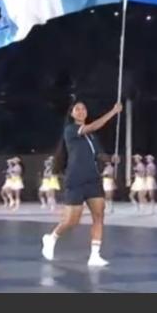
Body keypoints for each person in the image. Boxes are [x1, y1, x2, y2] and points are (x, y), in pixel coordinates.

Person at [41, 100, 123, 268]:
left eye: (83, 108)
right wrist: (113, 112)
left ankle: (95, 255)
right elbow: (92, 126)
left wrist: (110, 159)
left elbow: (99, 155)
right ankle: (51, 238)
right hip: (76, 179)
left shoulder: (92, 137)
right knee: (72, 220)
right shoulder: (71, 130)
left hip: (93, 179)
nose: (81, 111)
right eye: (77, 109)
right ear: (72, 114)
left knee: (99, 216)